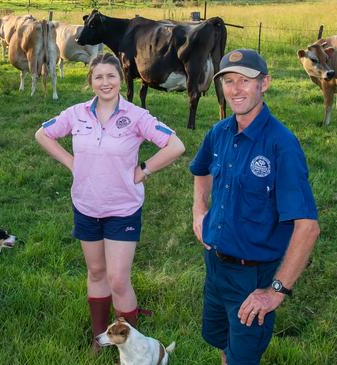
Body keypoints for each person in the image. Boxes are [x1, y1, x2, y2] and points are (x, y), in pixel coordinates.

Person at [35, 53, 185, 352]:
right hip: (86, 206)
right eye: (99, 77)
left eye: (111, 76)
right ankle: (99, 338)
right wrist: (70, 161)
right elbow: (42, 134)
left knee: (118, 279)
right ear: (90, 80)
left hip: (123, 209)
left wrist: (145, 169)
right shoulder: (76, 113)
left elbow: (176, 145)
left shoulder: (136, 115)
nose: (105, 82)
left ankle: (129, 345)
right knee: (96, 273)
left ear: (121, 78)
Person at [190, 49, 320, 365]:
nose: (235, 90)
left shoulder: (281, 144)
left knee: (243, 358)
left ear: (265, 84)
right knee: (221, 343)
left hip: (253, 277)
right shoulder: (219, 132)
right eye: (229, 81)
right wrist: (199, 211)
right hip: (215, 266)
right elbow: (202, 169)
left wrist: (276, 290)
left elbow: (308, 227)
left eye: (245, 81)